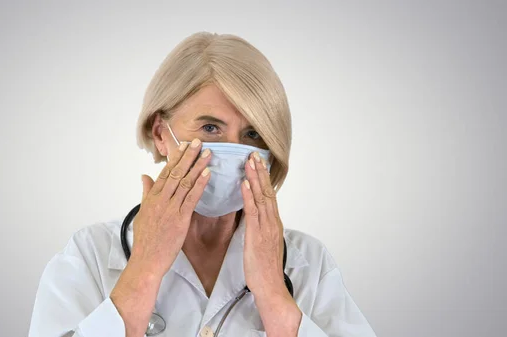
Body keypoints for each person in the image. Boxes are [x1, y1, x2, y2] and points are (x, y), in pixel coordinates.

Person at [28, 32, 377, 337]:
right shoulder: (90, 255)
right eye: (211, 128)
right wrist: (144, 271)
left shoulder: (307, 264)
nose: (235, 149)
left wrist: (273, 294)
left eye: (253, 134)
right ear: (161, 134)